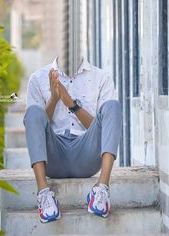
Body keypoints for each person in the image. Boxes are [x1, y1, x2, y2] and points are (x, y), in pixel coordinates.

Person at [23, 56, 122, 223]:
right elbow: (37, 126)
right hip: (53, 157)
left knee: (112, 106)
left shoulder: (101, 77)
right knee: (33, 112)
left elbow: (102, 128)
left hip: (87, 155)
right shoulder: (38, 78)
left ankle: (102, 189)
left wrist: (71, 104)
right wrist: (54, 99)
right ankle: (44, 193)